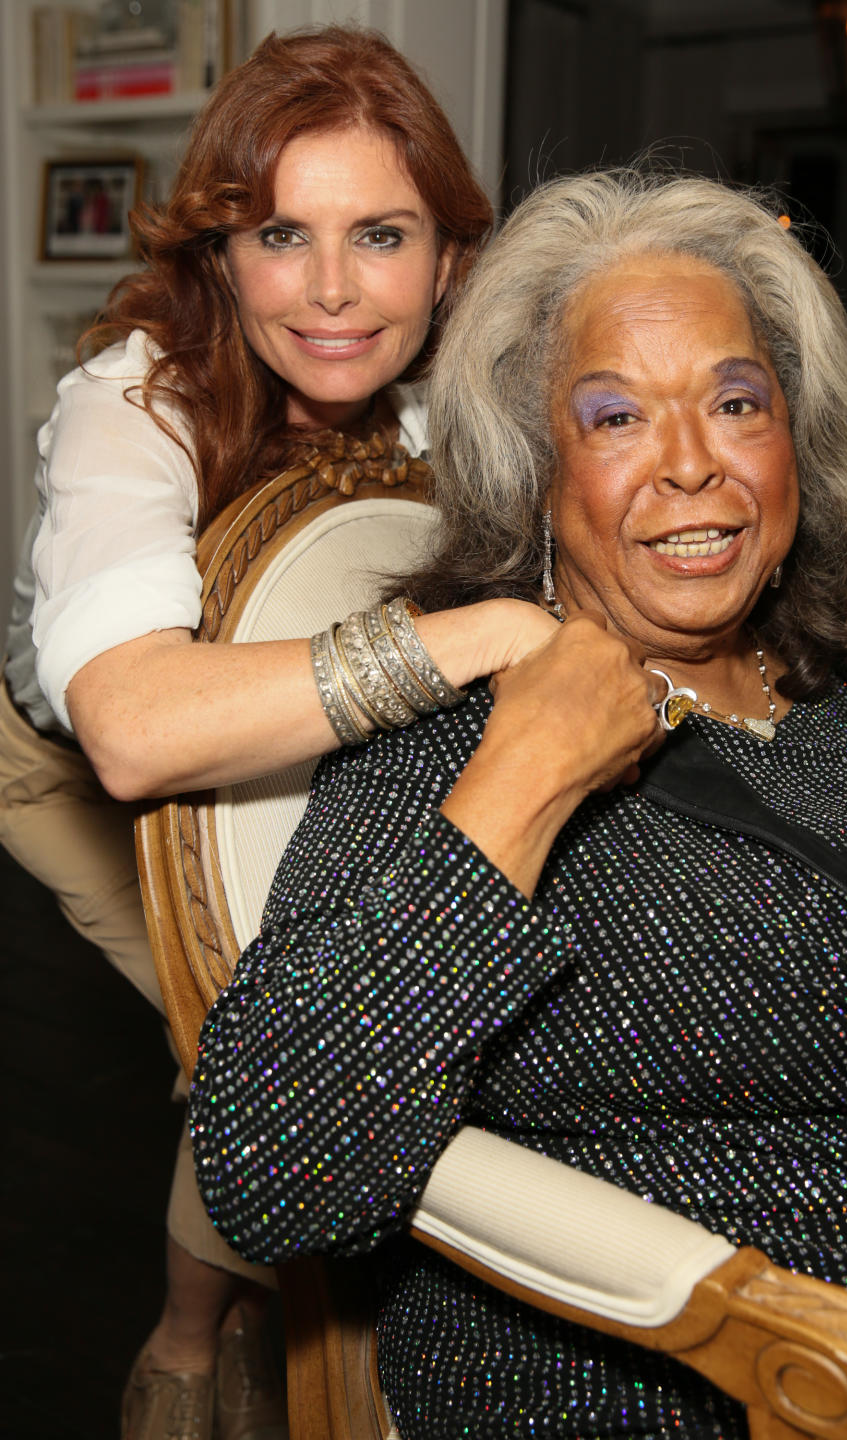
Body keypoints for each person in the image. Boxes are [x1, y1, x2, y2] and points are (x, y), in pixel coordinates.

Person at [189, 168, 847, 1439]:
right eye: (615, 419)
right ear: (532, 468)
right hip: (745, 1376)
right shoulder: (454, 735)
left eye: (736, 401)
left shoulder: (838, 686)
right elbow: (274, 1167)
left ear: (796, 444)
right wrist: (528, 774)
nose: (693, 466)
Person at [0, 24, 559, 1440]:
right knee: (253, 1031)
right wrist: (479, 638)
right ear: (217, 257)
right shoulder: (136, 403)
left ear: (448, 255)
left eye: (379, 234)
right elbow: (130, 729)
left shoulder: (462, 387)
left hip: (313, 732)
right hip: (64, 771)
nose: (329, 291)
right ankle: (190, 1350)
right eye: (276, 236)